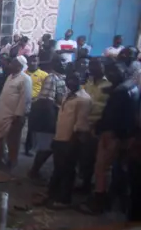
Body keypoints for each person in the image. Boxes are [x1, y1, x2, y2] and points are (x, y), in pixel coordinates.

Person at [91, 60, 140, 214]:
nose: (111, 75)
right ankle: (118, 200)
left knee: (101, 168)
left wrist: (104, 132)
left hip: (112, 135)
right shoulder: (132, 87)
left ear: (123, 72)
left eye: (114, 72)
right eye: (109, 72)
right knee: (119, 168)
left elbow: (111, 116)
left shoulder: (120, 92)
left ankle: (100, 203)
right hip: (127, 134)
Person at [47, 66, 92, 208]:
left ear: (82, 80)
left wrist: (72, 143)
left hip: (70, 140)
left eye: (75, 80)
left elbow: (80, 124)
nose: (71, 82)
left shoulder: (84, 99)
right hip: (60, 137)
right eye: (69, 79)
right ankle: (53, 195)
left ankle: (64, 199)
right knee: (59, 168)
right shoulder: (68, 94)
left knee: (68, 170)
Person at [27, 57, 67, 179]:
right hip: (52, 117)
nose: (64, 65)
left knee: (52, 147)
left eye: (65, 62)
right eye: (61, 62)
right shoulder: (52, 78)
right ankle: (34, 171)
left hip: (61, 116)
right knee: (47, 147)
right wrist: (51, 123)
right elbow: (47, 101)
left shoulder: (64, 78)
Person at [0, 56, 33, 170]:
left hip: (14, 115)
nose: (10, 65)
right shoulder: (10, 77)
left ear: (19, 66)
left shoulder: (25, 79)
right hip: (2, 111)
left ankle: (12, 161)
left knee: (13, 140)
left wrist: (18, 115)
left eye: (13, 63)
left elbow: (25, 99)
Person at [78, 57, 110, 192]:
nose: (92, 68)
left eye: (96, 65)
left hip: (98, 126)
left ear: (103, 67)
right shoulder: (89, 82)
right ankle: (85, 183)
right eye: (91, 66)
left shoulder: (109, 84)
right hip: (86, 123)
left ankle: (95, 189)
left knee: (97, 159)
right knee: (85, 156)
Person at [24, 55, 49, 156]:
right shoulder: (23, 73)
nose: (33, 63)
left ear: (38, 62)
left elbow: (45, 89)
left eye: (35, 61)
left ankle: (28, 148)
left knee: (32, 127)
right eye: (31, 61)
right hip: (23, 103)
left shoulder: (44, 75)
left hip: (36, 104)